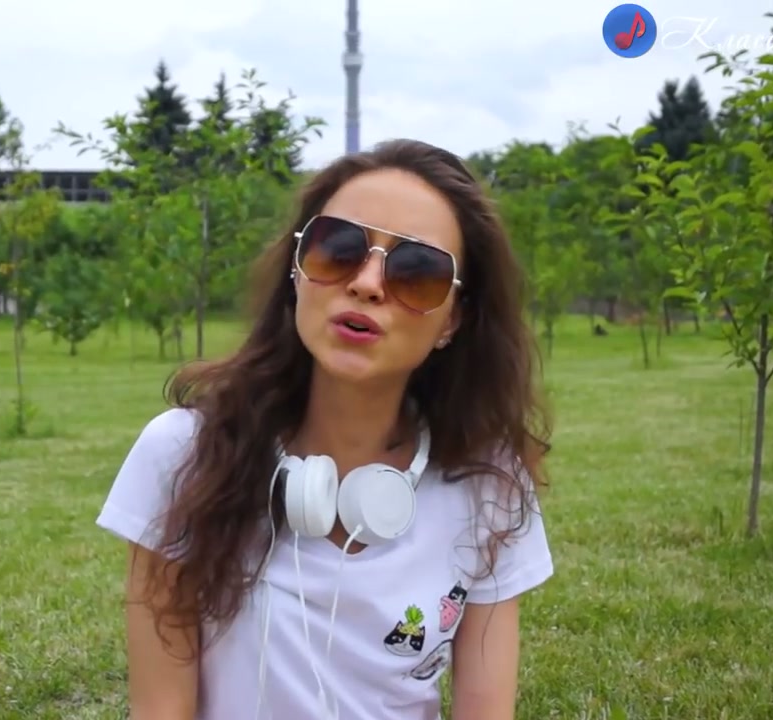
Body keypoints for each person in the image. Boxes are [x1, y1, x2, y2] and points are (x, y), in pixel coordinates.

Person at [96, 138, 555, 720]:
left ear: (452, 320)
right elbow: (160, 709)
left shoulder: (488, 485)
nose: (367, 283)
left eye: (417, 271)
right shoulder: (181, 453)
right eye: (338, 249)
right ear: (296, 270)